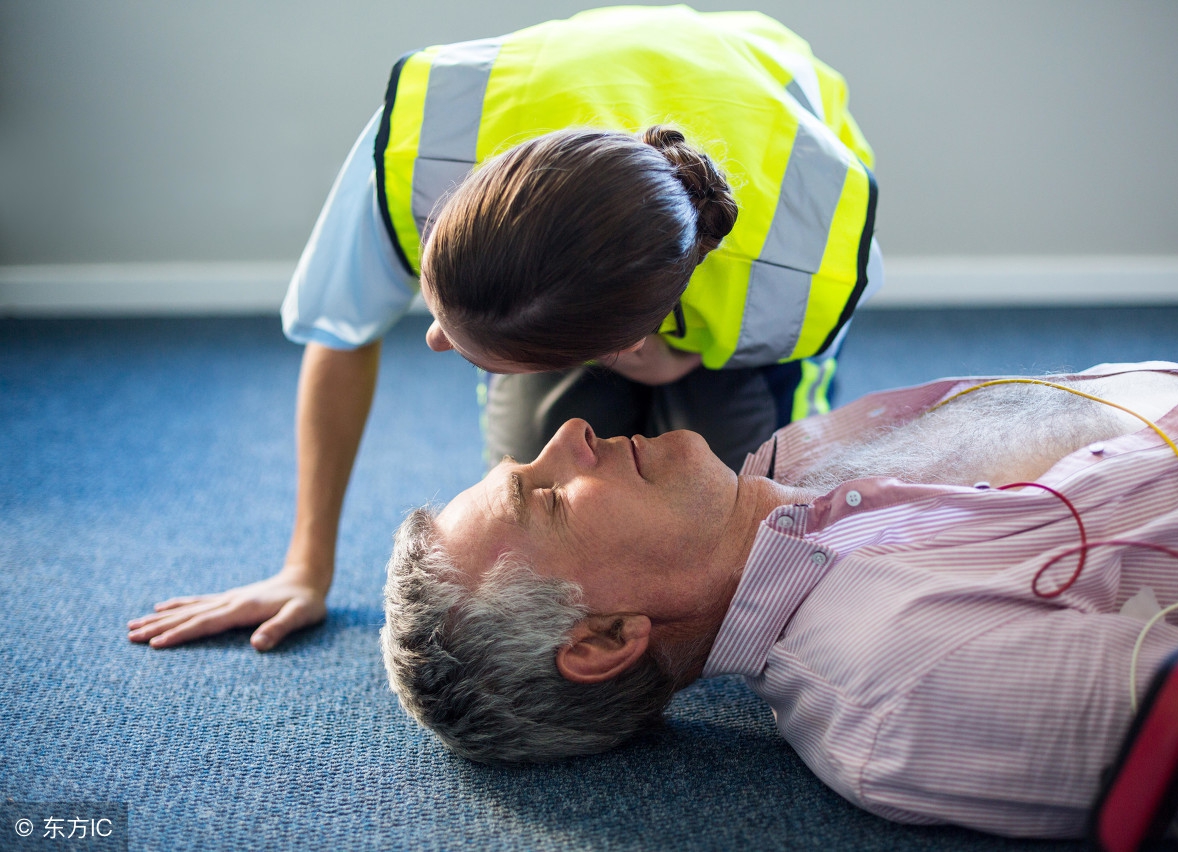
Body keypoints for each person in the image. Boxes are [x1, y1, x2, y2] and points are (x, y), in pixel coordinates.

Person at [126, 6, 881, 652]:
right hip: (582, 254)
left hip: (761, 152)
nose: (434, 341)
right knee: (540, 517)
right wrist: (305, 566)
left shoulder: (800, 265)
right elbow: (341, 330)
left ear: (620, 342)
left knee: (731, 500)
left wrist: (688, 362)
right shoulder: (420, 145)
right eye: (445, 322)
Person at [379, 363, 1178, 839]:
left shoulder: (786, 466)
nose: (567, 434)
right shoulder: (901, 688)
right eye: (542, 496)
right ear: (606, 636)